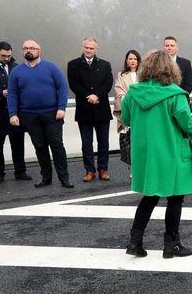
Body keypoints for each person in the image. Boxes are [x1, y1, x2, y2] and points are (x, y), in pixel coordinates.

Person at [122, 50, 192, 258]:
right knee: (175, 198)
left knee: (149, 197)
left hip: (146, 154)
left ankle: (135, 242)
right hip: (171, 151)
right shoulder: (175, 94)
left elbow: (125, 118)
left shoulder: (132, 93)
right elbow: (187, 122)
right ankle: (172, 244)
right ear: (170, 69)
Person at [8, 40, 73, 188]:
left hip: (52, 114)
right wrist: (13, 114)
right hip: (29, 115)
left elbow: (62, 87)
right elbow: (12, 94)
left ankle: (65, 179)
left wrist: (61, 108)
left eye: (32, 48)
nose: (28, 50)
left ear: (39, 51)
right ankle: (46, 178)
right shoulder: (16, 71)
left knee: (56, 145)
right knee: (39, 146)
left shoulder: (51, 67)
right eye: (25, 48)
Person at [67, 38, 114, 182]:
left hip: (102, 109)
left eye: (91, 48)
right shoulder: (73, 64)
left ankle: (103, 169)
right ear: (83, 47)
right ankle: (89, 170)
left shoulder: (105, 65)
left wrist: (97, 95)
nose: (88, 50)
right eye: (86, 47)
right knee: (86, 143)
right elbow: (73, 84)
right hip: (84, 109)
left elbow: (108, 83)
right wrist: (88, 96)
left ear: (96, 49)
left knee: (103, 142)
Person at [0, 41, 32, 183]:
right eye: (3, 55)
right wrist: (1, 93)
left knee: (18, 142)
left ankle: (20, 171)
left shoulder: (16, 67)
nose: (6, 58)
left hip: (15, 112)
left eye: (9, 55)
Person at [113, 50, 140, 174]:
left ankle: (143, 167)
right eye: (130, 59)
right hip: (129, 111)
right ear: (126, 61)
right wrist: (130, 99)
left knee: (141, 142)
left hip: (142, 111)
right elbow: (119, 91)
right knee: (131, 142)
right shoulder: (121, 75)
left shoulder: (144, 75)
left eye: (135, 59)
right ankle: (133, 169)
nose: (133, 61)